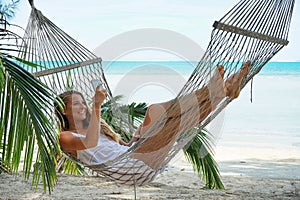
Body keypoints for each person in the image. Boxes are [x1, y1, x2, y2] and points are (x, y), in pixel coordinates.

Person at [55, 61, 251, 170]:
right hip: (130, 167)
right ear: (64, 110)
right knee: (155, 111)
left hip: (134, 157)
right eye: (75, 103)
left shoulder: (99, 129)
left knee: (175, 122)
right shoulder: (65, 137)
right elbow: (89, 143)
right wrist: (97, 105)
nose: (82, 106)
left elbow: (117, 148)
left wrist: (135, 138)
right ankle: (211, 91)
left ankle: (223, 93)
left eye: (83, 102)